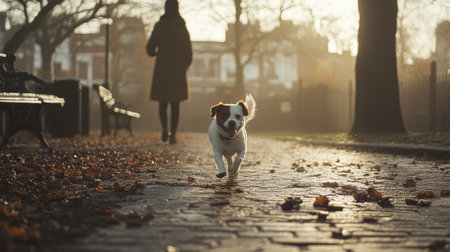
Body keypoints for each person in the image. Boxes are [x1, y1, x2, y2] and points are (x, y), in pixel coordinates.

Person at [146, 0, 192, 144]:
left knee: (162, 102)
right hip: (178, 71)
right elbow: (189, 51)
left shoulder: (160, 26)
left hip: (162, 69)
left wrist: (155, 53)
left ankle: (165, 129)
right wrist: (184, 66)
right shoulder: (182, 27)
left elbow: (150, 48)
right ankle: (173, 135)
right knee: (176, 103)